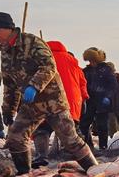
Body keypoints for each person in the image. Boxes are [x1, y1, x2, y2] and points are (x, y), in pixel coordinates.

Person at [0, 12, 97, 174]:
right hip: (31, 105)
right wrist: (8, 111)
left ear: (8, 28)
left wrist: (34, 86)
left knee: (70, 140)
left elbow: (49, 65)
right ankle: (24, 176)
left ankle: (95, 170)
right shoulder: (5, 53)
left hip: (53, 100)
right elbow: (9, 85)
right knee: (15, 138)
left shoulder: (31, 41)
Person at [31, 40, 88, 168]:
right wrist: (84, 98)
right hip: (71, 101)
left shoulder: (42, 59)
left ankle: (41, 156)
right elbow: (82, 82)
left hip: (48, 100)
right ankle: (84, 158)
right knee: (71, 130)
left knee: (42, 129)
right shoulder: (72, 60)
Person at [80, 47, 117, 151]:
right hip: (90, 101)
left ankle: (103, 147)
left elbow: (113, 85)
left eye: (92, 60)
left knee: (102, 125)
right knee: (85, 124)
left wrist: (108, 97)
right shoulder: (86, 71)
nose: (91, 63)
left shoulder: (106, 70)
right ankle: (87, 146)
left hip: (102, 102)